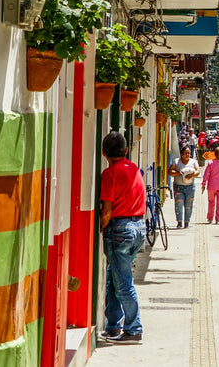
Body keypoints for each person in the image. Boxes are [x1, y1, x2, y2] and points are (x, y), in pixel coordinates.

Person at [98, 131, 146, 344]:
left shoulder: (109, 174)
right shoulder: (134, 169)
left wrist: (100, 227)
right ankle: (113, 326)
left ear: (103, 153)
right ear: (126, 151)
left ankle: (133, 328)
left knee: (123, 282)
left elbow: (107, 210)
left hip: (120, 230)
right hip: (138, 227)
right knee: (114, 278)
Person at [169, 146, 200, 228]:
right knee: (179, 204)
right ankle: (179, 222)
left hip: (190, 187)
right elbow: (170, 171)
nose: (187, 154)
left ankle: (187, 222)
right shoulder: (176, 161)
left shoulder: (193, 162)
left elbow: (198, 171)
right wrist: (178, 172)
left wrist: (192, 174)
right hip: (179, 187)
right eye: (186, 153)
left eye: (189, 153)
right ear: (182, 154)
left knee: (189, 205)